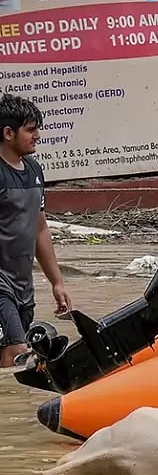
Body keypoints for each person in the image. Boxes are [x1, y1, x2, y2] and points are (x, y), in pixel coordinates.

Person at [0, 94, 72, 367]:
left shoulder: (34, 171)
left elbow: (40, 228)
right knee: (16, 352)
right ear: (8, 133)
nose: (37, 136)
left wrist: (57, 282)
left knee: (13, 353)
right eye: (30, 130)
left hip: (23, 287)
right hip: (1, 286)